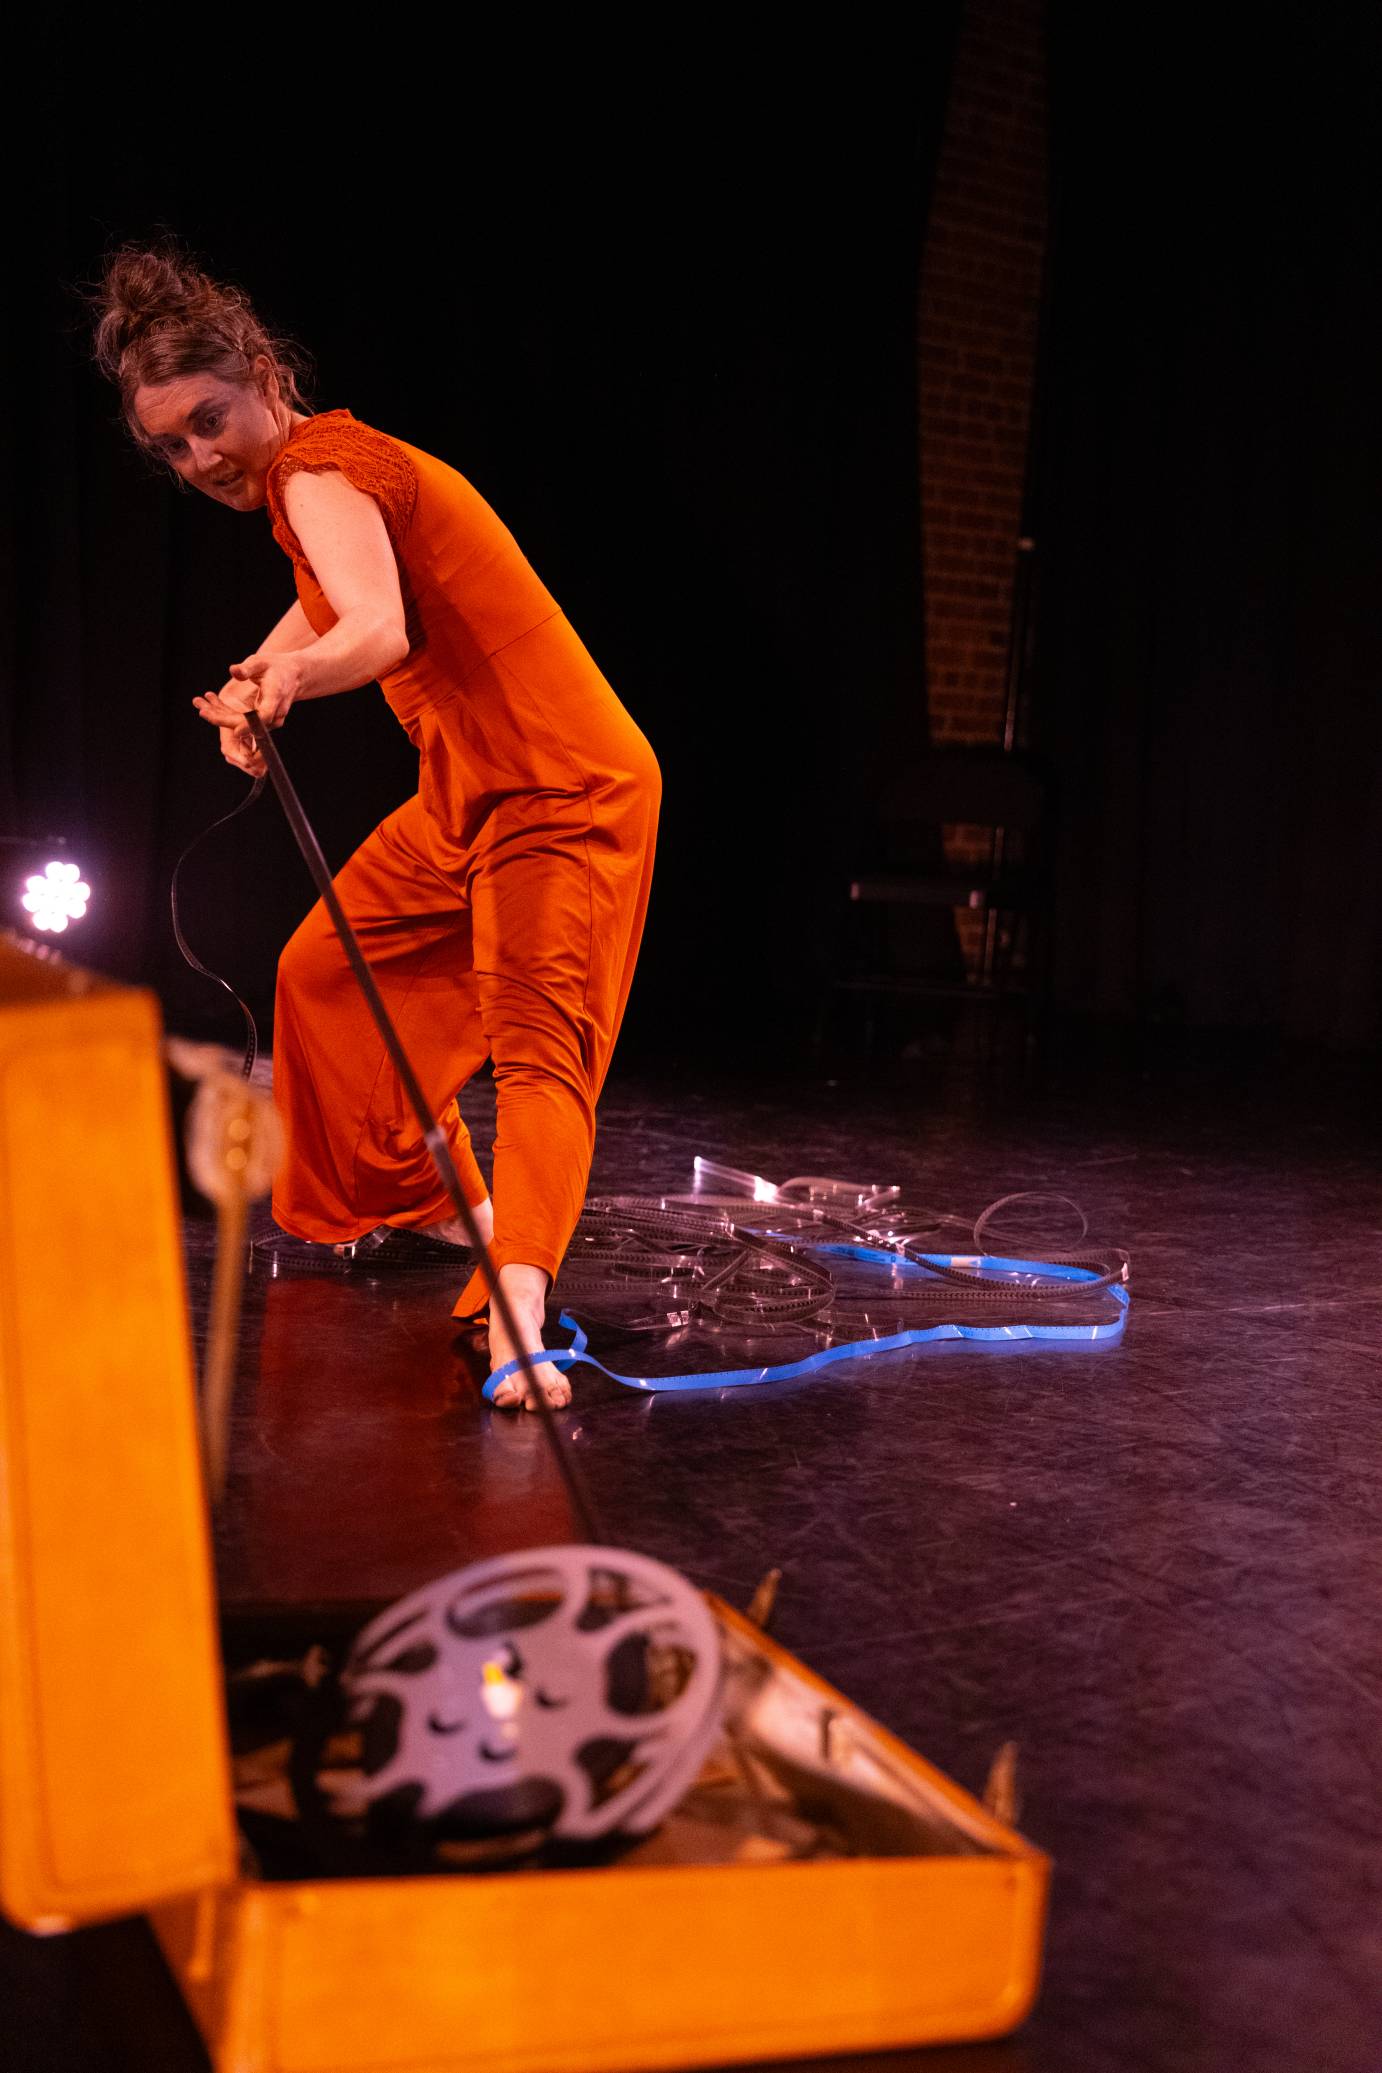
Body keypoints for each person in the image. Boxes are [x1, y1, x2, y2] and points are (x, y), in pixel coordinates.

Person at [93, 244, 660, 1409]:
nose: (202, 459)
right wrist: (256, 679)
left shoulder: (316, 470)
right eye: (174, 446)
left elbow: (376, 628)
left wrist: (295, 683)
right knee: (324, 973)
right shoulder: (321, 482)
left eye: (210, 421)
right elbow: (320, 611)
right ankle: (453, 1202)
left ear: (260, 371)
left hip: (561, 786)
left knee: (538, 1042)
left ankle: (519, 1315)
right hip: (471, 788)